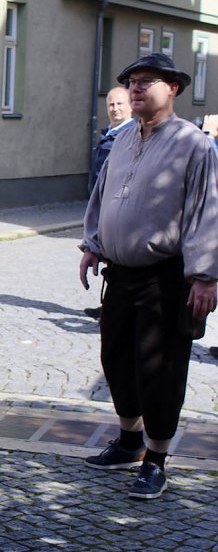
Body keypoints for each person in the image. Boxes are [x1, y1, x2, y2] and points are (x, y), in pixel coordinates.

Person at [79, 53, 218, 500]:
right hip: (120, 274)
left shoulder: (192, 144)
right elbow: (101, 195)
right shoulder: (122, 140)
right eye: (132, 82)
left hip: (167, 275)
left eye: (147, 81)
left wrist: (204, 276)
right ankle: (129, 440)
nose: (136, 89)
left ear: (172, 88)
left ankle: (155, 460)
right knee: (116, 360)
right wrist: (92, 244)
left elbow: (206, 212)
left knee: (159, 369)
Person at [84, 86, 135, 319]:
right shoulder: (110, 134)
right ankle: (108, 304)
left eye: (120, 104)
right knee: (107, 260)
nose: (114, 109)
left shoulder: (130, 135)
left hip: (117, 210)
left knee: (116, 261)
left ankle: (113, 307)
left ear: (131, 106)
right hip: (103, 209)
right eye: (111, 105)